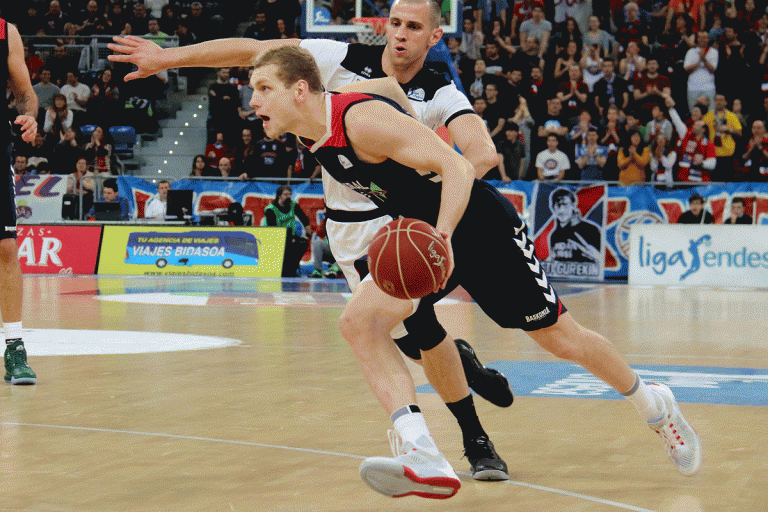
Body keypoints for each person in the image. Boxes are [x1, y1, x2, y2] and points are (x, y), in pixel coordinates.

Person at [242, 45, 701, 497]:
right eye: (252, 89)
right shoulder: (311, 131)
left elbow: (458, 165)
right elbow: (386, 86)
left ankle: (654, 404)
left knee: (560, 339)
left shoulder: (358, 120)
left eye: (264, 88)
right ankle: (421, 452)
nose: (253, 100)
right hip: (426, 238)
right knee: (359, 323)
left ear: (300, 90)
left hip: (478, 228)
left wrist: (440, 233)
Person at [107, 0, 514, 484]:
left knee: (416, 330)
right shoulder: (336, 59)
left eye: (414, 26)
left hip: (396, 217)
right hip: (347, 228)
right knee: (408, 342)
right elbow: (255, 51)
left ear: (433, 36)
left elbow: (480, 153)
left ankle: (472, 440)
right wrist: (169, 59)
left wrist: (429, 182)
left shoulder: (441, 88)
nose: (401, 34)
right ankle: (466, 369)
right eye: (396, 23)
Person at [2, 17, 38, 384]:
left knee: (6, 248)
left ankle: (14, 347)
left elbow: (26, 93)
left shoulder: (5, 31)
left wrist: (29, 116)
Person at [264, 185, 311, 278]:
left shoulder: (293, 205)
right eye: (285, 194)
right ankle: (284, 271)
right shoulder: (270, 209)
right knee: (288, 247)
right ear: (279, 196)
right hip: (274, 238)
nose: (288, 196)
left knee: (302, 243)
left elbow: (304, 219)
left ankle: (292, 270)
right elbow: (272, 228)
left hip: (290, 237)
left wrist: (308, 233)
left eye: (290, 194)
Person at [702, 93, 742, 182]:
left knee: (727, 182)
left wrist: (729, 129)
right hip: (712, 155)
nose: (719, 102)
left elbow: (740, 133)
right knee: (713, 183)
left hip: (728, 155)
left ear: (726, 102)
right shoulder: (708, 116)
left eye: (721, 100)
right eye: (717, 100)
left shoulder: (731, 116)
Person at [684, 31, 717, 114]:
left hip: (708, 87)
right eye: (700, 37)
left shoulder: (714, 52)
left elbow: (712, 69)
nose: (703, 39)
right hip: (693, 87)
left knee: (710, 113)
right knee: (694, 113)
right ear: (697, 39)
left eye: (705, 37)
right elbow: (686, 69)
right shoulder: (691, 52)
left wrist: (704, 59)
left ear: (708, 39)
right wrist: (699, 61)